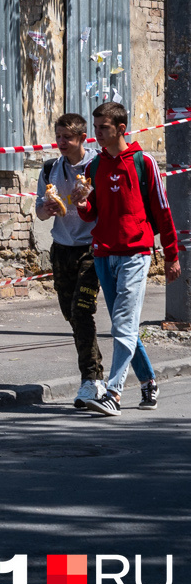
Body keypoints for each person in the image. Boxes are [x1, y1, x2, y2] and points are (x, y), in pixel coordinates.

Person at [75, 101, 180, 416]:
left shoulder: (143, 161)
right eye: (95, 128)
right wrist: (82, 205)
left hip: (136, 253)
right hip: (104, 254)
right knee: (125, 326)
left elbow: (162, 211)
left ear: (121, 128)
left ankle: (114, 393)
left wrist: (171, 256)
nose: (97, 134)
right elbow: (93, 212)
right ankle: (148, 380)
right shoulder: (94, 166)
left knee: (122, 323)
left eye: (103, 128)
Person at [34, 113, 103, 407]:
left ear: (82, 139)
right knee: (70, 315)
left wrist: (88, 201)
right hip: (62, 248)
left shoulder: (97, 166)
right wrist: (47, 209)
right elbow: (38, 211)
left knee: (81, 310)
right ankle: (94, 373)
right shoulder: (51, 168)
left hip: (92, 248)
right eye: (59, 136)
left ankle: (92, 379)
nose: (62, 142)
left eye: (68, 138)